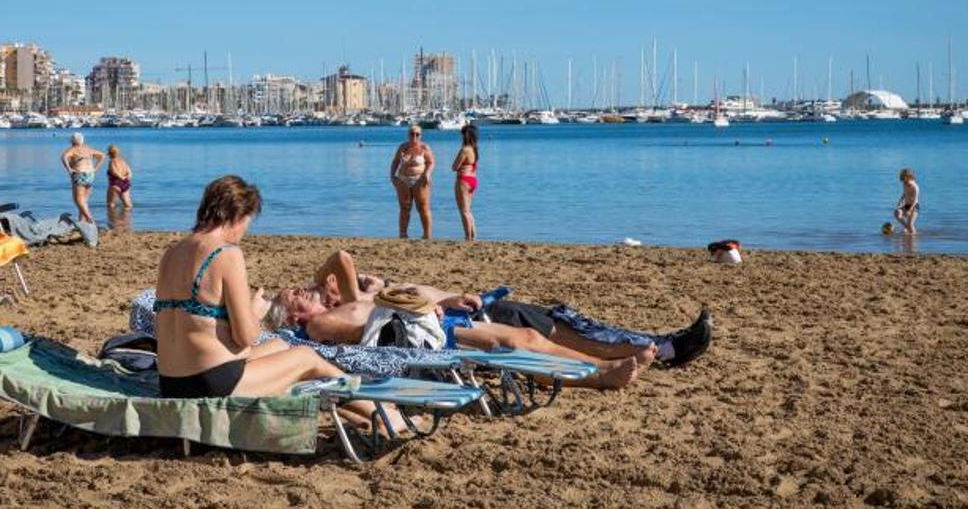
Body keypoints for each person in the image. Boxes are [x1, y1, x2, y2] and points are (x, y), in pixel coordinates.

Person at [271, 249, 711, 374]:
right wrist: (338, 287)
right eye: (298, 296)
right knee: (544, 334)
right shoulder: (329, 322)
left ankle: (627, 357)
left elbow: (343, 267)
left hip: (446, 322)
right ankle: (630, 359)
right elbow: (341, 259)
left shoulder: (343, 310)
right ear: (296, 318)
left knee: (553, 329)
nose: (305, 290)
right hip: (439, 334)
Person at [155, 176, 352, 398]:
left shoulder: (170, 254)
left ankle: (360, 412)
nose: (244, 232)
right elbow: (245, 338)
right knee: (306, 357)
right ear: (238, 216)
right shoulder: (226, 253)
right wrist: (254, 313)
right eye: (247, 222)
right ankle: (379, 410)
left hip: (170, 381)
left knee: (278, 344)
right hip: (211, 381)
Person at [390, 125, 435, 239]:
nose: (414, 136)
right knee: (404, 208)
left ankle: (427, 235)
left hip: (419, 179)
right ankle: (403, 234)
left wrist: (428, 173)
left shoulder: (424, 147)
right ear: (408, 135)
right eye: (412, 134)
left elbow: (431, 162)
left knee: (423, 207)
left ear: (420, 135)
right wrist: (392, 176)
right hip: (403, 180)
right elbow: (395, 162)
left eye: (417, 134)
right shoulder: (403, 147)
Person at [60, 133, 105, 224]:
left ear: (72, 141)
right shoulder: (88, 149)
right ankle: (82, 222)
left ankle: (90, 219)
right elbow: (102, 156)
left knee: (78, 199)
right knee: (84, 201)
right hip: (90, 175)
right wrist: (95, 169)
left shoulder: (73, 149)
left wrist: (69, 169)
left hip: (80, 174)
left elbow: (63, 156)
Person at [451, 124, 479, 241]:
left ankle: (468, 236)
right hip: (473, 180)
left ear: (466, 136)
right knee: (468, 210)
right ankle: (473, 235)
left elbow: (454, 167)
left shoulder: (465, 149)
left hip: (464, 180)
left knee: (464, 211)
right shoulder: (474, 149)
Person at [105, 144, 133, 210]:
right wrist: (126, 178)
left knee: (110, 203)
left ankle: (113, 219)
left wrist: (121, 177)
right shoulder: (123, 161)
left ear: (109, 153)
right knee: (128, 205)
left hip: (115, 184)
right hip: (126, 183)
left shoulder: (111, 162)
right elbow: (130, 172)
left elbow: (114, 172)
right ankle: (126, 218)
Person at [893, 168, 920, 235]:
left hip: (914, 207)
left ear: (909, 177)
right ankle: (907, 228)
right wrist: (900, 201)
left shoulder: (915, 187)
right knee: (896, 213)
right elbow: (904, 194)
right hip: (906, 205)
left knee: (910, 224)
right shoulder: (904, 184)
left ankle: (913, 237)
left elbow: (915, 200)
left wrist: (910, 210)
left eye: (904, 179)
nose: (903, 181)